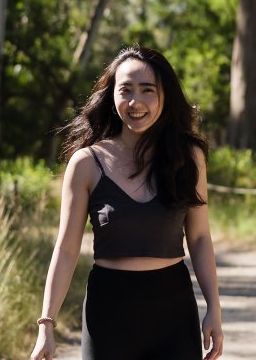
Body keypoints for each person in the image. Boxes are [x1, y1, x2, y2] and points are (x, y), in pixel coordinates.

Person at [29, 46, 223, 360]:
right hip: (108, 310)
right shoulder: (87, 164)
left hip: (173, 310)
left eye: (148, 90)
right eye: (126, 90)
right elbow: (66, 247)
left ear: (165, 96)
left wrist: (214, 309)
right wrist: (46, 324)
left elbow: (200, 238)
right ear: (112, 96)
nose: (136, 102)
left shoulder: (189, 157)